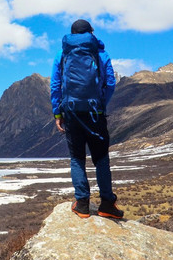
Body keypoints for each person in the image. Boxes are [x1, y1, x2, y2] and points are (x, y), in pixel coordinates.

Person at [50, 19, 123, 219]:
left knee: (77, 158)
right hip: (95, 113)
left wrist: (58, 113)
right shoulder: (100, 53)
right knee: (100, 158)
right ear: (91, 33)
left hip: (71, 113)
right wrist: (101, 104)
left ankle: (82, 204)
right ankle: (107, 204)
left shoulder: (62, 55)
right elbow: (110, 83)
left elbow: (55, 86)